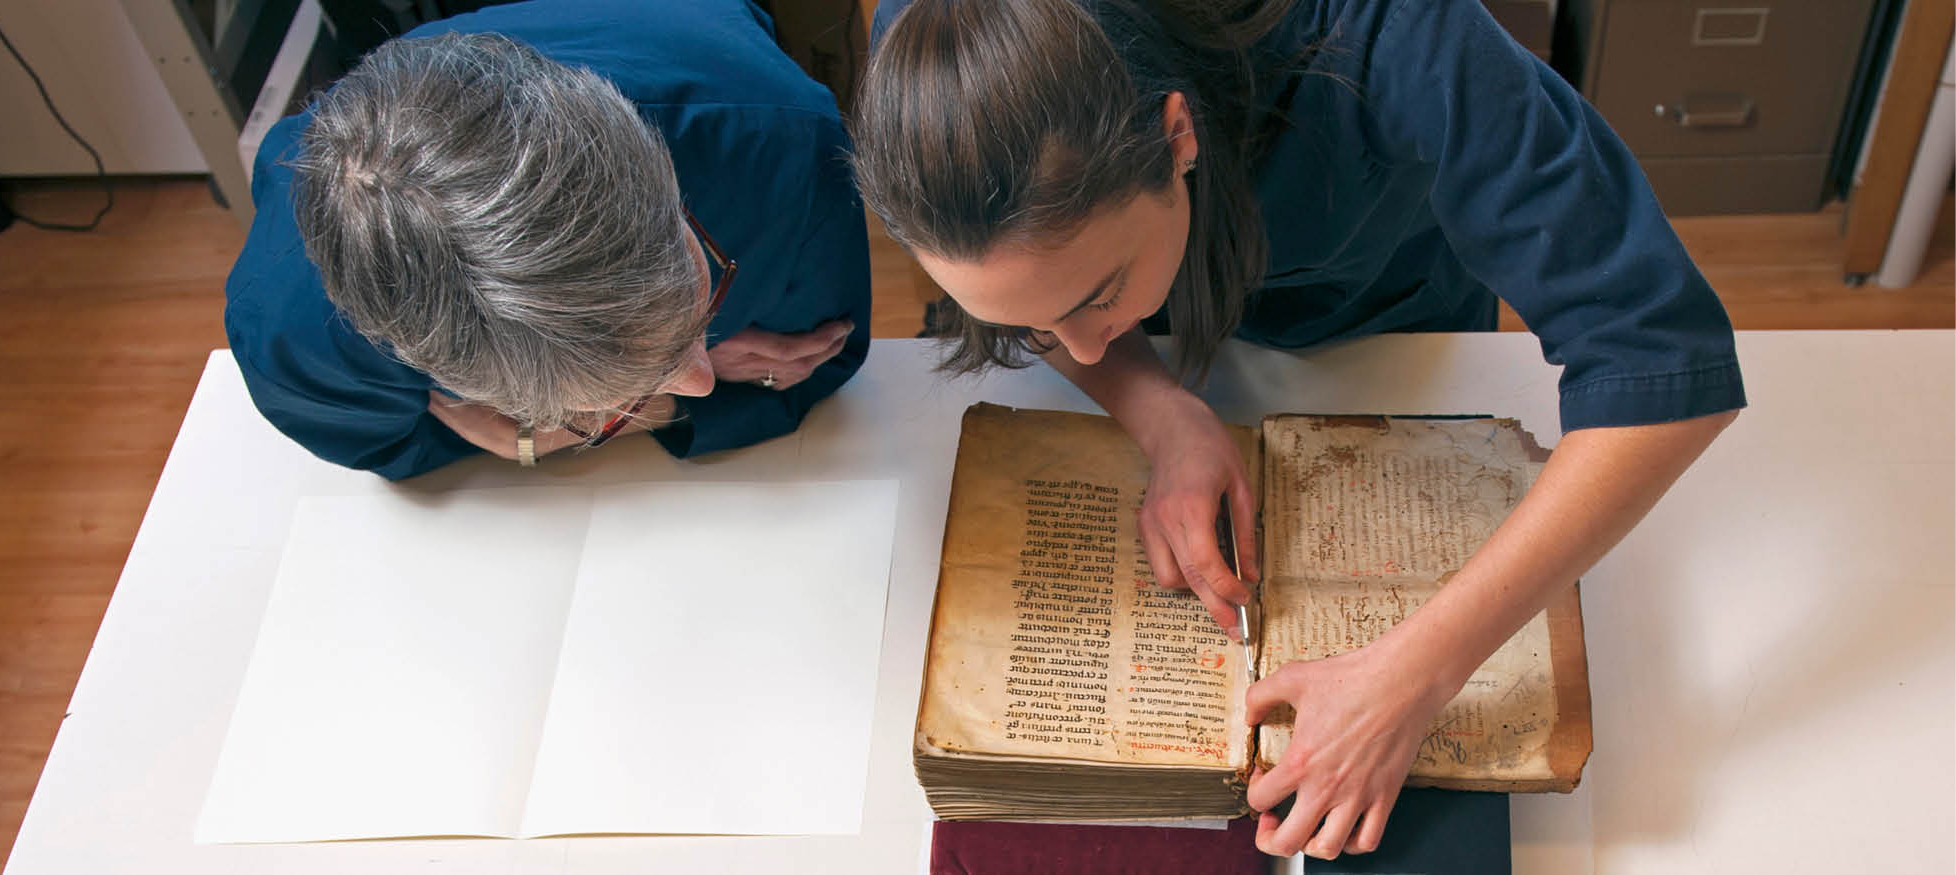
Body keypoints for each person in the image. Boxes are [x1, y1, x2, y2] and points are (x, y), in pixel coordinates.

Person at [853, 0, 1742, 861]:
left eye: (1096, 297)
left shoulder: (1392, 33)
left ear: (1176, 133)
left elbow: (1664, 361)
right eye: (1034, 327)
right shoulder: (940, 61)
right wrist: (1156, 408)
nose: (1083, 346)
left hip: (1385, 320)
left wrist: (1416, 674)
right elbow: (1053, 306)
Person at [225, 0, 869, 479]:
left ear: (672, 197)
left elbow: (824, 362)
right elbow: (390, 448)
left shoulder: (791, 151)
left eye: (699, 303)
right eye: (597, 407)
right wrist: (650, 410)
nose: (700, 382)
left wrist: (554, 431)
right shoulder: (295, 343)